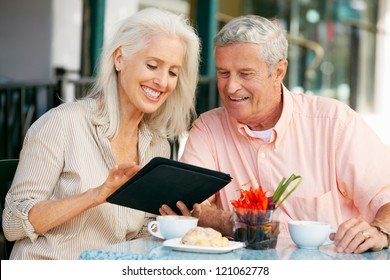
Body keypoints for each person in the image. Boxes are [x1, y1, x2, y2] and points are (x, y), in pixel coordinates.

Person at [160, 15, 390, 254]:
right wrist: (231, 222)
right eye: (223, 73)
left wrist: (381, 231)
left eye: (246, 74)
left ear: (279, 71)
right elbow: (191, 207)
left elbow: (386, 195)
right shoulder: (208, 129)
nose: (231, 87)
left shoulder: (335, 123)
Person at [2, 7, 200, 259]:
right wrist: (96, 195)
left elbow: (132, 238)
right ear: (120, 58)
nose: (162, 81)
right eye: (152, 65)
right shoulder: (63, 123)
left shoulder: (156, 145)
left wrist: (165, 226)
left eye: (173, 72)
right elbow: (12, 223)